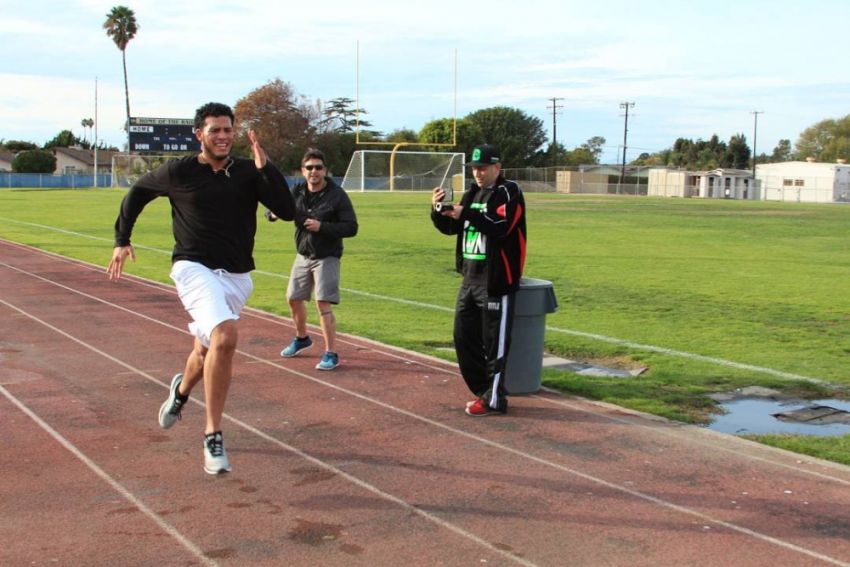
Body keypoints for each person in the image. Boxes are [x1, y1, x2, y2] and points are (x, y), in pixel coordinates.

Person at [107, 102, 295, 474]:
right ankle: (213, 435)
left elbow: (287, 211)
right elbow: (138, 193)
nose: (223, 137)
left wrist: (265, 167)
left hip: (237, 275)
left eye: (228, 130)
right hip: (193, 267)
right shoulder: (179, 171)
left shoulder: (246, 172)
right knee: (225, 337)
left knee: (205, 349)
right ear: (199, 135)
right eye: (215, 131)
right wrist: (121, 238)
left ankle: (180, 392)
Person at [430, 144, 526, 416]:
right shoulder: (472, 191)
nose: (478, 173)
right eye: (474, 168)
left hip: (496, 280)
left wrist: (467, 213)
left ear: (497, 167)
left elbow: (500, 226)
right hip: (470, 278)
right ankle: (485, 391)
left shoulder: (509, 191)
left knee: (495, 344)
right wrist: (439, 211)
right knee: (463, 338)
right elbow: (452, 228)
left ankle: (494, 398)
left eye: (483, 167)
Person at [267, 148, 358, 370]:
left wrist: (322, 227)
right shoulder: (297, 190)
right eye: (309, 168)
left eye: (318, 167)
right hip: (302, 254)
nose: (313, 172)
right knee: (293, 298)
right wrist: (274, 214)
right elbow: (274, 209)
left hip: (326, 256)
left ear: (325, 171)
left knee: (322, 302)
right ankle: (302, 338)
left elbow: (351, 227)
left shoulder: (337, 195)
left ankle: (331, 353)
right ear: (302, 171)